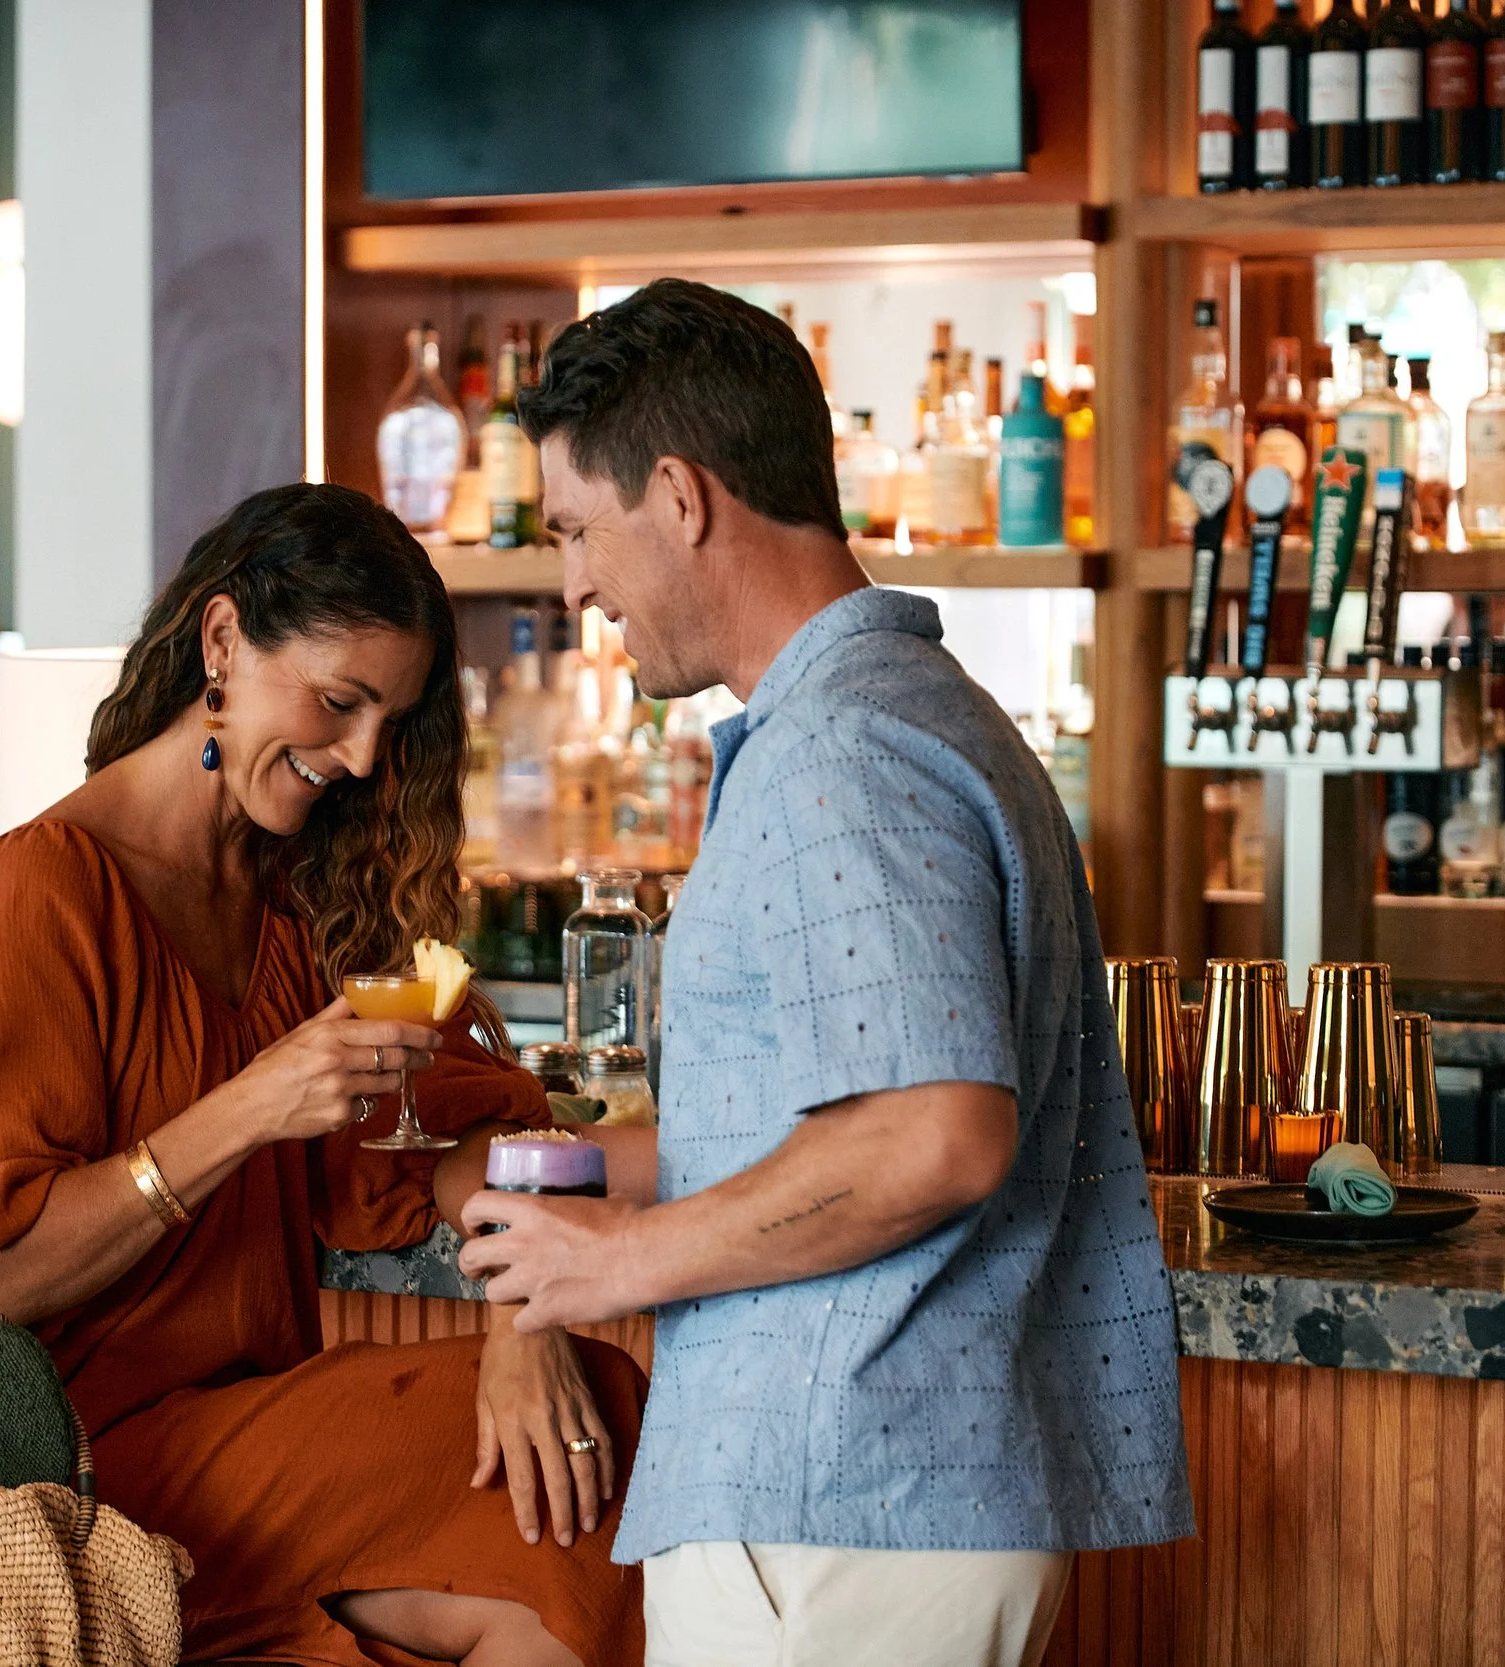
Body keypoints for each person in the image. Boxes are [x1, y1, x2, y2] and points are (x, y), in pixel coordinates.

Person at [459, 279, 1192, 1667]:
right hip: (880, 1489)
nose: (572, 585)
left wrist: (623, 1258)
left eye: (574, 530)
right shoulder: (910, 717)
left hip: (848, 1491)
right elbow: (831, 1121)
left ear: (678, 496)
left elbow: (935, 1130)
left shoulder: (842, 753)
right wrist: (587, 1165)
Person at [0, 483, 644, 1667]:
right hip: (72, 1473)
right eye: (340, 702)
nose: (363, 755)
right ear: (223, 640)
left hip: (251, 1433)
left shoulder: (298, 905)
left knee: (562, 1519)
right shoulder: (27, 898)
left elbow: (480, 1135)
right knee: (583, 1483)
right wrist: (243, 1112)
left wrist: (523, 1312)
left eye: (389, 718)